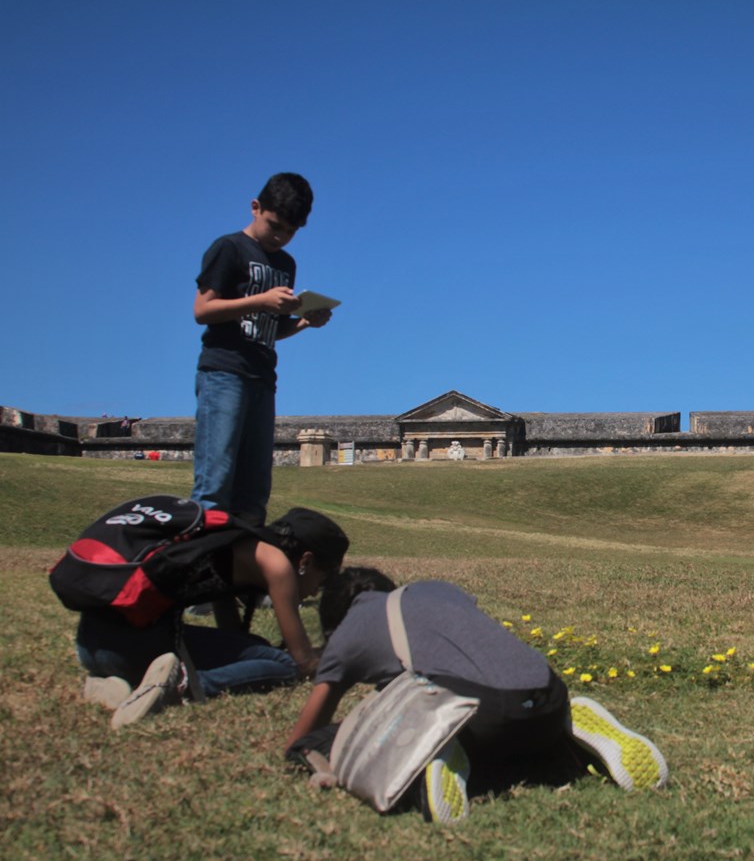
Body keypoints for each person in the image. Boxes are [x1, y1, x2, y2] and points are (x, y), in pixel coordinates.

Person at [285, 568, 668, 823]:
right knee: (510, 725)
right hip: (549, 694)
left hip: (476, 712)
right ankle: (569, 732)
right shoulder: (436, 589)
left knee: (321, 741)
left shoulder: (349, 630)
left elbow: (306, 730)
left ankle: (439, 756)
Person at [78, 508, 350, 730]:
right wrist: (339, 659)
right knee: (286, 667)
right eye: (322, 580)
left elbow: (232, 633)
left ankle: (117, 682)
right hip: (134, 646)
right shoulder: (277, 565)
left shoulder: (234, 540)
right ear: (305, 561)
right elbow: (302, 661)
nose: (316, 591)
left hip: (91, 643)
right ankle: (179, 686)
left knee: (255, 645)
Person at [191, 172, 332, 525]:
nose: (281, 237)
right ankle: (201, 566)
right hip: (224, 372)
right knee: (215, 481)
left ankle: (244, 566)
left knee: (255, 488)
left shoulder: (286, 264)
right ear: (255, 208)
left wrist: (303, 321)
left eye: (291, 231)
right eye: (275, 225)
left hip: (263, 376)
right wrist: (260, 300)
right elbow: (202, 310)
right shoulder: (228, 248)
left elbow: (269, 330)